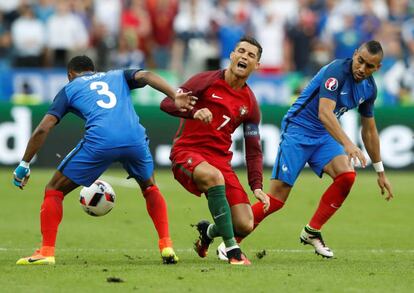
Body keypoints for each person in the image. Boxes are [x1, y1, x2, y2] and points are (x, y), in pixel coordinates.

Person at [219, 40, 394, 260]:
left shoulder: (369, 89)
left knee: (347, 175)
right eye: (360, 61)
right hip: (298, 130)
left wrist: (380, 172)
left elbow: (369, 130)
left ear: (377, 68)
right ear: (355, 53)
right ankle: (231, 243)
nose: (362, 69)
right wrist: (348, 144)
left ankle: (312, 231)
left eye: (369, 66)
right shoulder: (336, 71)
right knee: (276, 199)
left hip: (323, 135)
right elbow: (325, 112)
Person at [13, 55, 196, 265]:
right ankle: (166, 246)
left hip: (101, 140)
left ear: (69, 75)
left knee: (54, 189)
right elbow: (146, 75)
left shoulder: (70, 88)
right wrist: (175, 94)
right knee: (150, 187)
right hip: (135, 139)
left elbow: (44, 128)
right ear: (93, 70)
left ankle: (46, 252)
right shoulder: (117, 75)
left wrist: (24, 164)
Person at [160, 36, 273, 265]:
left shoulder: (250, 104)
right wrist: (193, 112)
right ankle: (232, 251)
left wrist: (257, 186)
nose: (244, 57)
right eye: (241, 51)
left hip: (220, 161)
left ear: (257, 66)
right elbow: (167, 103)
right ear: (232, 55)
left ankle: (208, 232)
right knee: (214, 177)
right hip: (187, 151)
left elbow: (253, 150)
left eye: (251, 55)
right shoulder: (205, 81)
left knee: (245, 224)